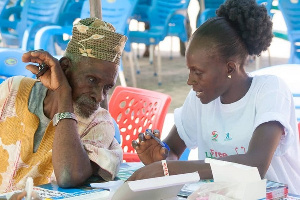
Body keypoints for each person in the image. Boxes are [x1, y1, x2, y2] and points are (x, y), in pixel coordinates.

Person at [128, 0, 300, 195]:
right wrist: (161, 159)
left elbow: (255, 165)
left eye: (198, 72)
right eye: (189, 71)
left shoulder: (270, 91)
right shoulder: (200, 98)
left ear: (229, 68)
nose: (190, 81)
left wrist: (173, 169)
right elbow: (172, 151)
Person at [0, 17, 127, 194]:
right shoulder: (13, 89)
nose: (99, 96)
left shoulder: (99, 122)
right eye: (92, 80)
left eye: (107, 87)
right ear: (65, 67)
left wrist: (63, 95)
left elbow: (68, 176)